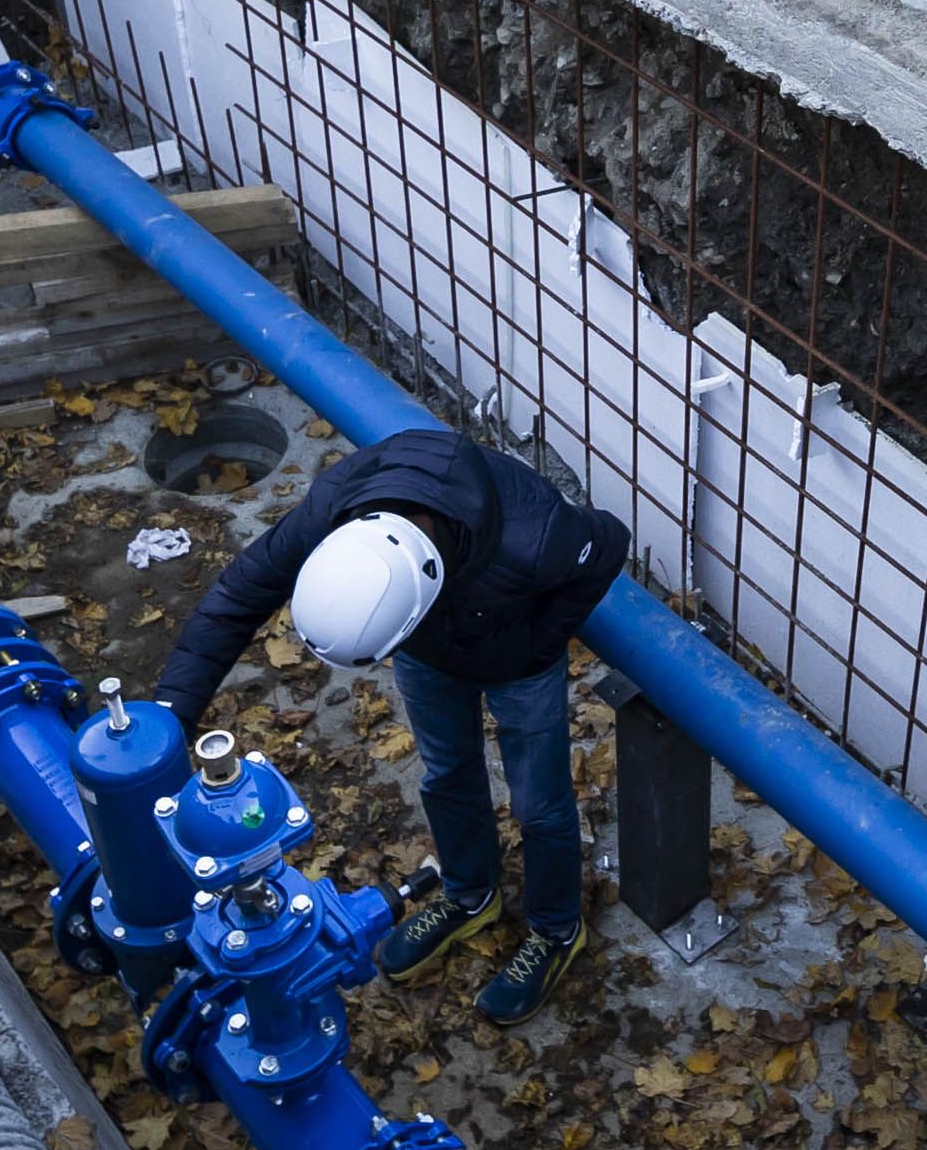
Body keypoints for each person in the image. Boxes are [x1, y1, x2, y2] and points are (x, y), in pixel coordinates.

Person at [152, 426, 629, 1023]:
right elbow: (237, 597)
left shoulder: (536, 539)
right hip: (428, 650)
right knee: (447, 773)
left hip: (516, 662)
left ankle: (556, 930)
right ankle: (468, 893)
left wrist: (536, 646)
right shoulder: (336, 509)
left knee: (540, 805)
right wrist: (166, 722)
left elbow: (610, 543)